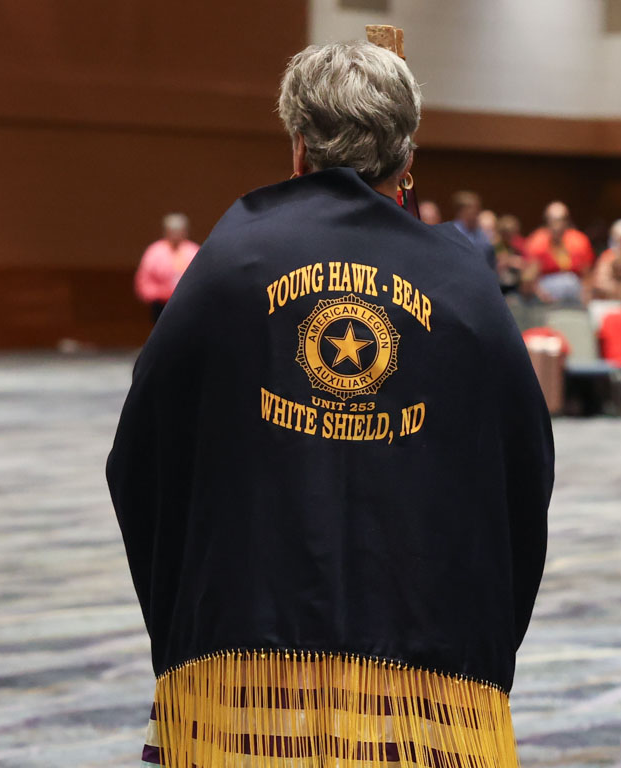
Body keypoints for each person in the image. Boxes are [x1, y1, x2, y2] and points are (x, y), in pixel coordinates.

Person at [107, 40, 553, 768]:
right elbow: (524, 467)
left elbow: (144, 456)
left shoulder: (230, 262)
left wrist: (187, 610)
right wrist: (482, 628)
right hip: (423, 671)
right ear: (408, 158)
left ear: (297, 145)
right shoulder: (463, 283)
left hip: (245, 656)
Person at [134, 213, 200, 324]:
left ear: (185, 231)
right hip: (161, 304)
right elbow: (144, 280)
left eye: (179, 231)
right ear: (166, 231)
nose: (175, 234)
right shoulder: (154, 251)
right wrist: (160, 293)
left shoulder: (193, 250)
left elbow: (202, 278)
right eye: (172, 231)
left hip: (188, 303)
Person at [525, 201, 595, 304]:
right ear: (546, 221)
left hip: (575, 293)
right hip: (546, 293)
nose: (557, 224)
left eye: (561, 219)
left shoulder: (580, 240)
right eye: (552, 219)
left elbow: (587, 274)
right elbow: (530, 277)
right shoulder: (536, 241)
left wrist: (586, 295)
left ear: (567, 220)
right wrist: (542, 295)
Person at [450, 190, 496, 268]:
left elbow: (489, 255)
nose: (477, 213)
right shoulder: (452, 232)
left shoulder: (481, 232)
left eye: (478, 209)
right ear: (462, 211)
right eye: (474, 209)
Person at [494, 214, 529, 295]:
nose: (510, 237)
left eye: (512, 233)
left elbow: (527, 262)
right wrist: (511, 261)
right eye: (506, 233)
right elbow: (500, 262)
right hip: (501, 283)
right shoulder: (497, 245)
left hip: (518, 281)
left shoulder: (519, 243)